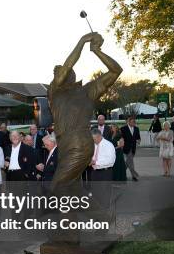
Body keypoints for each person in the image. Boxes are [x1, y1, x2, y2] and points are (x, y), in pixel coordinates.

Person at [49, 32, 122, 187]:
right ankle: (97, 211)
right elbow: (67, 67)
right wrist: (82, 41)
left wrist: (96, 50)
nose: (58, 73)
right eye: (56, 72)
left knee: (57, 186)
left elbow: (116, 71)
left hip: (79, 143)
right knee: (72, 189)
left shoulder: (87, 91)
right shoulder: (54, 92)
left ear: (73, 75)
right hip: (63, 144)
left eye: (60, 70)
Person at [121, 116, 141, 181]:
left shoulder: (136, 129)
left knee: (127, 163)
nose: (133, 123)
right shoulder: (123, 129)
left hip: (133, 149)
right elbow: (121, 138)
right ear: (128, 122)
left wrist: (138, 141)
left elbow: (138, 138)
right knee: (131, 162)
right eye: (132, 122)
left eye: (134, 122)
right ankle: (134, 175)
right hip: (126, 148)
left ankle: (121, 174)